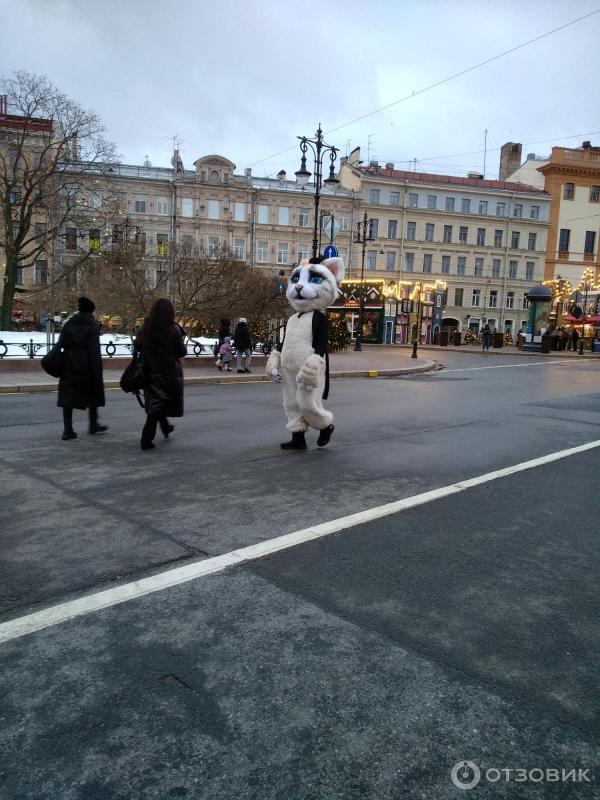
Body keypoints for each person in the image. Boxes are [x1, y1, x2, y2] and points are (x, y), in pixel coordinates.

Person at [135, 298, 186, 451]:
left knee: (157, 401)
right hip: (168, 373)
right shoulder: (172, 329)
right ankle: (146, 440)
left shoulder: (144, 328)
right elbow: (181, 352)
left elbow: (137, 347)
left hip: (149, 372)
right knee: (157, 405)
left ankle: (165, 428)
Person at [57, 296, 107, 440]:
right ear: (91, 310)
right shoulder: (92, 326)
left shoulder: (69, 324)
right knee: (93, 393)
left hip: (69, 364)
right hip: (86, 366)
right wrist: (98, 372)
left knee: (68, 397)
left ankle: (68, 430)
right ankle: (93, 424)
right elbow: (94, 351)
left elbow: (61, 343)